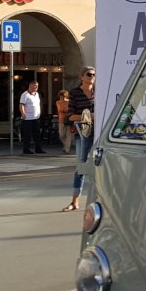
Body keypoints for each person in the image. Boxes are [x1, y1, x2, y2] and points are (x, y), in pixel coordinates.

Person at [62, 67, 96, 212]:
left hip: (100, 134)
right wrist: (87, 116)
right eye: (89, 74)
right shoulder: (75, 93)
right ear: (81, 76)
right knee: (80, 167)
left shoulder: (99, 91)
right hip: (83, 135)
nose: (92, 77)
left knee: (101, 167)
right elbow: (69, 117)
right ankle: (75, 201)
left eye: (94, 75)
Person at [18, 79, 44, 154]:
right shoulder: (25, 95)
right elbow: (21, 105)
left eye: (37, 86)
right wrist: (23, 113)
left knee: (37, 134)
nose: (36, 88)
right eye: (35, 86)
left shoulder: (37, 94)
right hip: (27, 118)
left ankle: (38, 149)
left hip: (36, 118)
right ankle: (26, 149)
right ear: (30, 86)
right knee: (27, 135)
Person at [55, 86, 74, 153]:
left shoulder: (70, 102)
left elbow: (70, 110)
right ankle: (66, 145)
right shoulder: (58, 102)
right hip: (61, 120)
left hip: (69, 120)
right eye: (61, 97)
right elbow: (60, 110)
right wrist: (65, 110)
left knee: (68, 135)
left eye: (63, 96)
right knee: (61, 135)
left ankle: (67, 149)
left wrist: (65, 110)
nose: (62, 98)